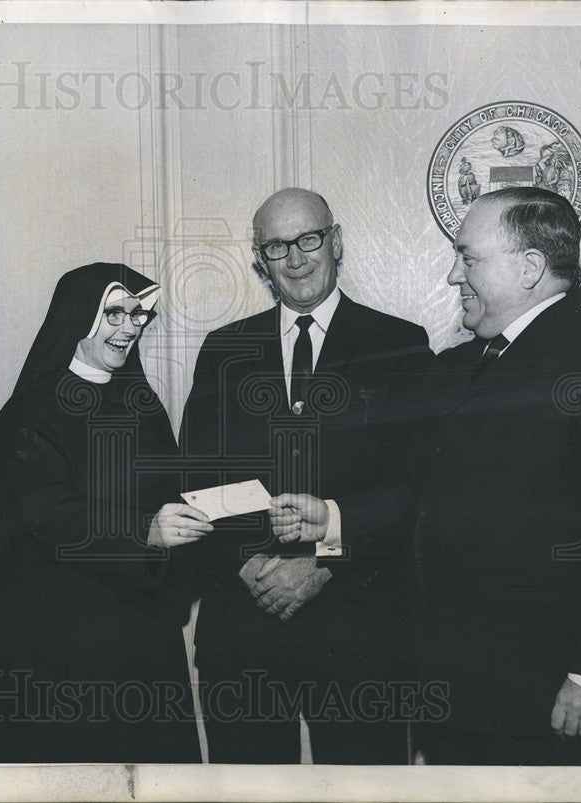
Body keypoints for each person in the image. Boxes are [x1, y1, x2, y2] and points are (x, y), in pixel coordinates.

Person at [410, 187, 581, 764]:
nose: (454, 276)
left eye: (468, 258)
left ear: (530, 267)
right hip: (455, 691)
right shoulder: (454, 366)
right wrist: (331, 519)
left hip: (553, 696)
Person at [180, 188, 431, 763]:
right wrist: (249, 564)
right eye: (276, 246)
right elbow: (196, 476)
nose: (295, 258)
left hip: (360, 631)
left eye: (308, 239)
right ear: (258, 258)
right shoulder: (224, 350)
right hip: (244, 627)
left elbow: (414, 488)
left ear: (335, 241)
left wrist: (323, 563)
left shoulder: (399, 345)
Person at [0, 263, 206, 763]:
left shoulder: (142, 402)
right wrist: (146, 531)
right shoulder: (31, 411)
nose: (129, 327)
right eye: (113, 313)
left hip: (140, 636)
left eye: (137, 314)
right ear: (78, 319)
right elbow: (51, 512)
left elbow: (172, 490)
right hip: (62, 645)